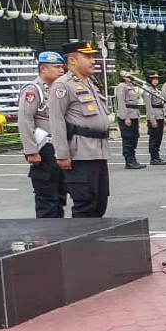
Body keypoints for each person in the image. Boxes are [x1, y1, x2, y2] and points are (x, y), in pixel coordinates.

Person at [50, 41, 113, 218]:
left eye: (93, 56)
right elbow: (56, 121)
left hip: (99, 151)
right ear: (72, 61)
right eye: (87, 56)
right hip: (80, 153)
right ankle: (80, 245)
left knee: (100, 202)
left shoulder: (91, 84)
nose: (93, 61)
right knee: (85, 203)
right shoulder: (63, 85)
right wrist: (62, 154)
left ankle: (93, 244)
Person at [18, 51, 68, 218]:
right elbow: (25, 120)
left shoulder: (58, 89)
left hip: (59, 148)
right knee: (47, 199)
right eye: (56, 67)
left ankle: (59, 238)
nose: (61, 70)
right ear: (43, 68)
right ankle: (47, 240)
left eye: (62, 67)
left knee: (60, 197)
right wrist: (31, 151)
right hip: (44, 148)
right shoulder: (33, 90)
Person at [113, 71, 147, 170]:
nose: (133, 78)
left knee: (134, 137)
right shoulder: (121, 87)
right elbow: (121, 102)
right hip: (127, 116)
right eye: (131, 76)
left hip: (134, 115)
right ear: (125, 77)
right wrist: (125, 117)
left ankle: (133, 159)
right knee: (128, 139)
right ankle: (129, 161)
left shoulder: (131, 87)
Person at [143, 71, 166, 166]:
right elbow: (149, 107)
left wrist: (164, 117)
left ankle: (157, 156)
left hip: (160, 116)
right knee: (154, 138)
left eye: (156, 79)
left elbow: (162, 104)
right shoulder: (147, 90)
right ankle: (154, 158)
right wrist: (152, 120)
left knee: (159, 138)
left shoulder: (156, 90)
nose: (155, 80)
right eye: (153, 79)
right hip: (154, 116)